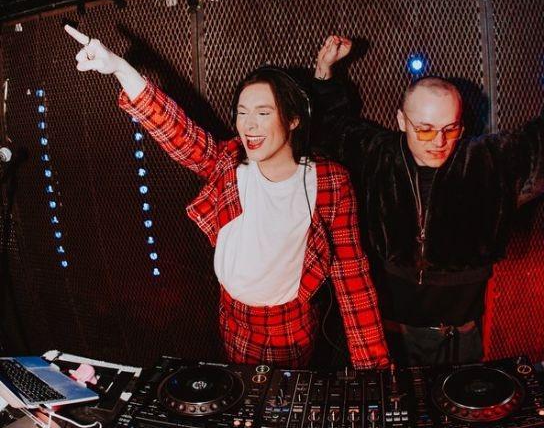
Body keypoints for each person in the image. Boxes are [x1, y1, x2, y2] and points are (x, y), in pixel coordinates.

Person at [63, 25, 390, 369]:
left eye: (263, 113)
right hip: (233, 316)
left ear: (294, 119)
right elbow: (178, 132)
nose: (248, 125)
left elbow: (352, 277)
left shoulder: (330, 182)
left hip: (293, 324)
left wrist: (376, 374)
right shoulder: (229, 164)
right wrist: (120, 69)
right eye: (242, 112)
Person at [311, 22, 544, 366]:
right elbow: (334, 128)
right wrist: (325, 73)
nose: (438, 141)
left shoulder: (488, 162)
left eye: (450, 129)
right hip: (384, 330)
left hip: (458, 335)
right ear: (402, 120)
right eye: (425, 129)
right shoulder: (378, 155)